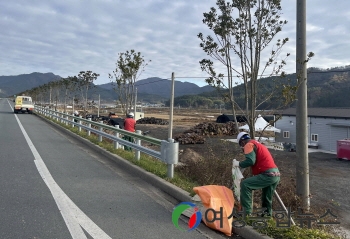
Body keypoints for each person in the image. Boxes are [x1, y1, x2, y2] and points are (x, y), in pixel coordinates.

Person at [233, 132, 280, 216]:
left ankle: (246, 214)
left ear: (242, 142)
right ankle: (267, 216)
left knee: (246, 184)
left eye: (241, 145)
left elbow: (251, 161)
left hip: (267, 174)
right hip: (276, 174)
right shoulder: (258, 144)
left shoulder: (248, 145)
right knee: (266, 197)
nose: (243, 148)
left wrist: (238, 164)